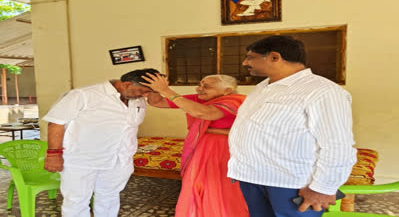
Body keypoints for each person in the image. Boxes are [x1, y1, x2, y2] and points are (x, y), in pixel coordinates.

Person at [227, 35, 357, 217]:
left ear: (274, 57)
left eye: (251, 57)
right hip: (252, 177)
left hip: (292, 183)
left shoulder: (322, 91)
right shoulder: (262, 88)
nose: (245, 63)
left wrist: (323, 187)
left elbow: (337, 145)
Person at [43, 68, 161, 217]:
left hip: (119, 159)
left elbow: (157, 101)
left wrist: (160, 88)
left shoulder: (136, 99)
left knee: (109, 197)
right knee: (76, 201)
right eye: (143, 91)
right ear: (126, 84)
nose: (145, 96)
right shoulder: (83, 95)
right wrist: (53, 154)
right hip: (82, 159)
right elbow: (56, 123)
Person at [141, 74, 249, 217]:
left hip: (225, 150)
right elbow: (158, 102)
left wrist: (166, 90)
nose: (199, 89)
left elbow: (204, 113)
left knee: (220, 187)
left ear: (227, 90)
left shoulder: (235, 100)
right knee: (197, 185)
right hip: (201, 148)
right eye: (200, 84)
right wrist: (155, 89)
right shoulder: (199, 99)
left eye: (206, 86)